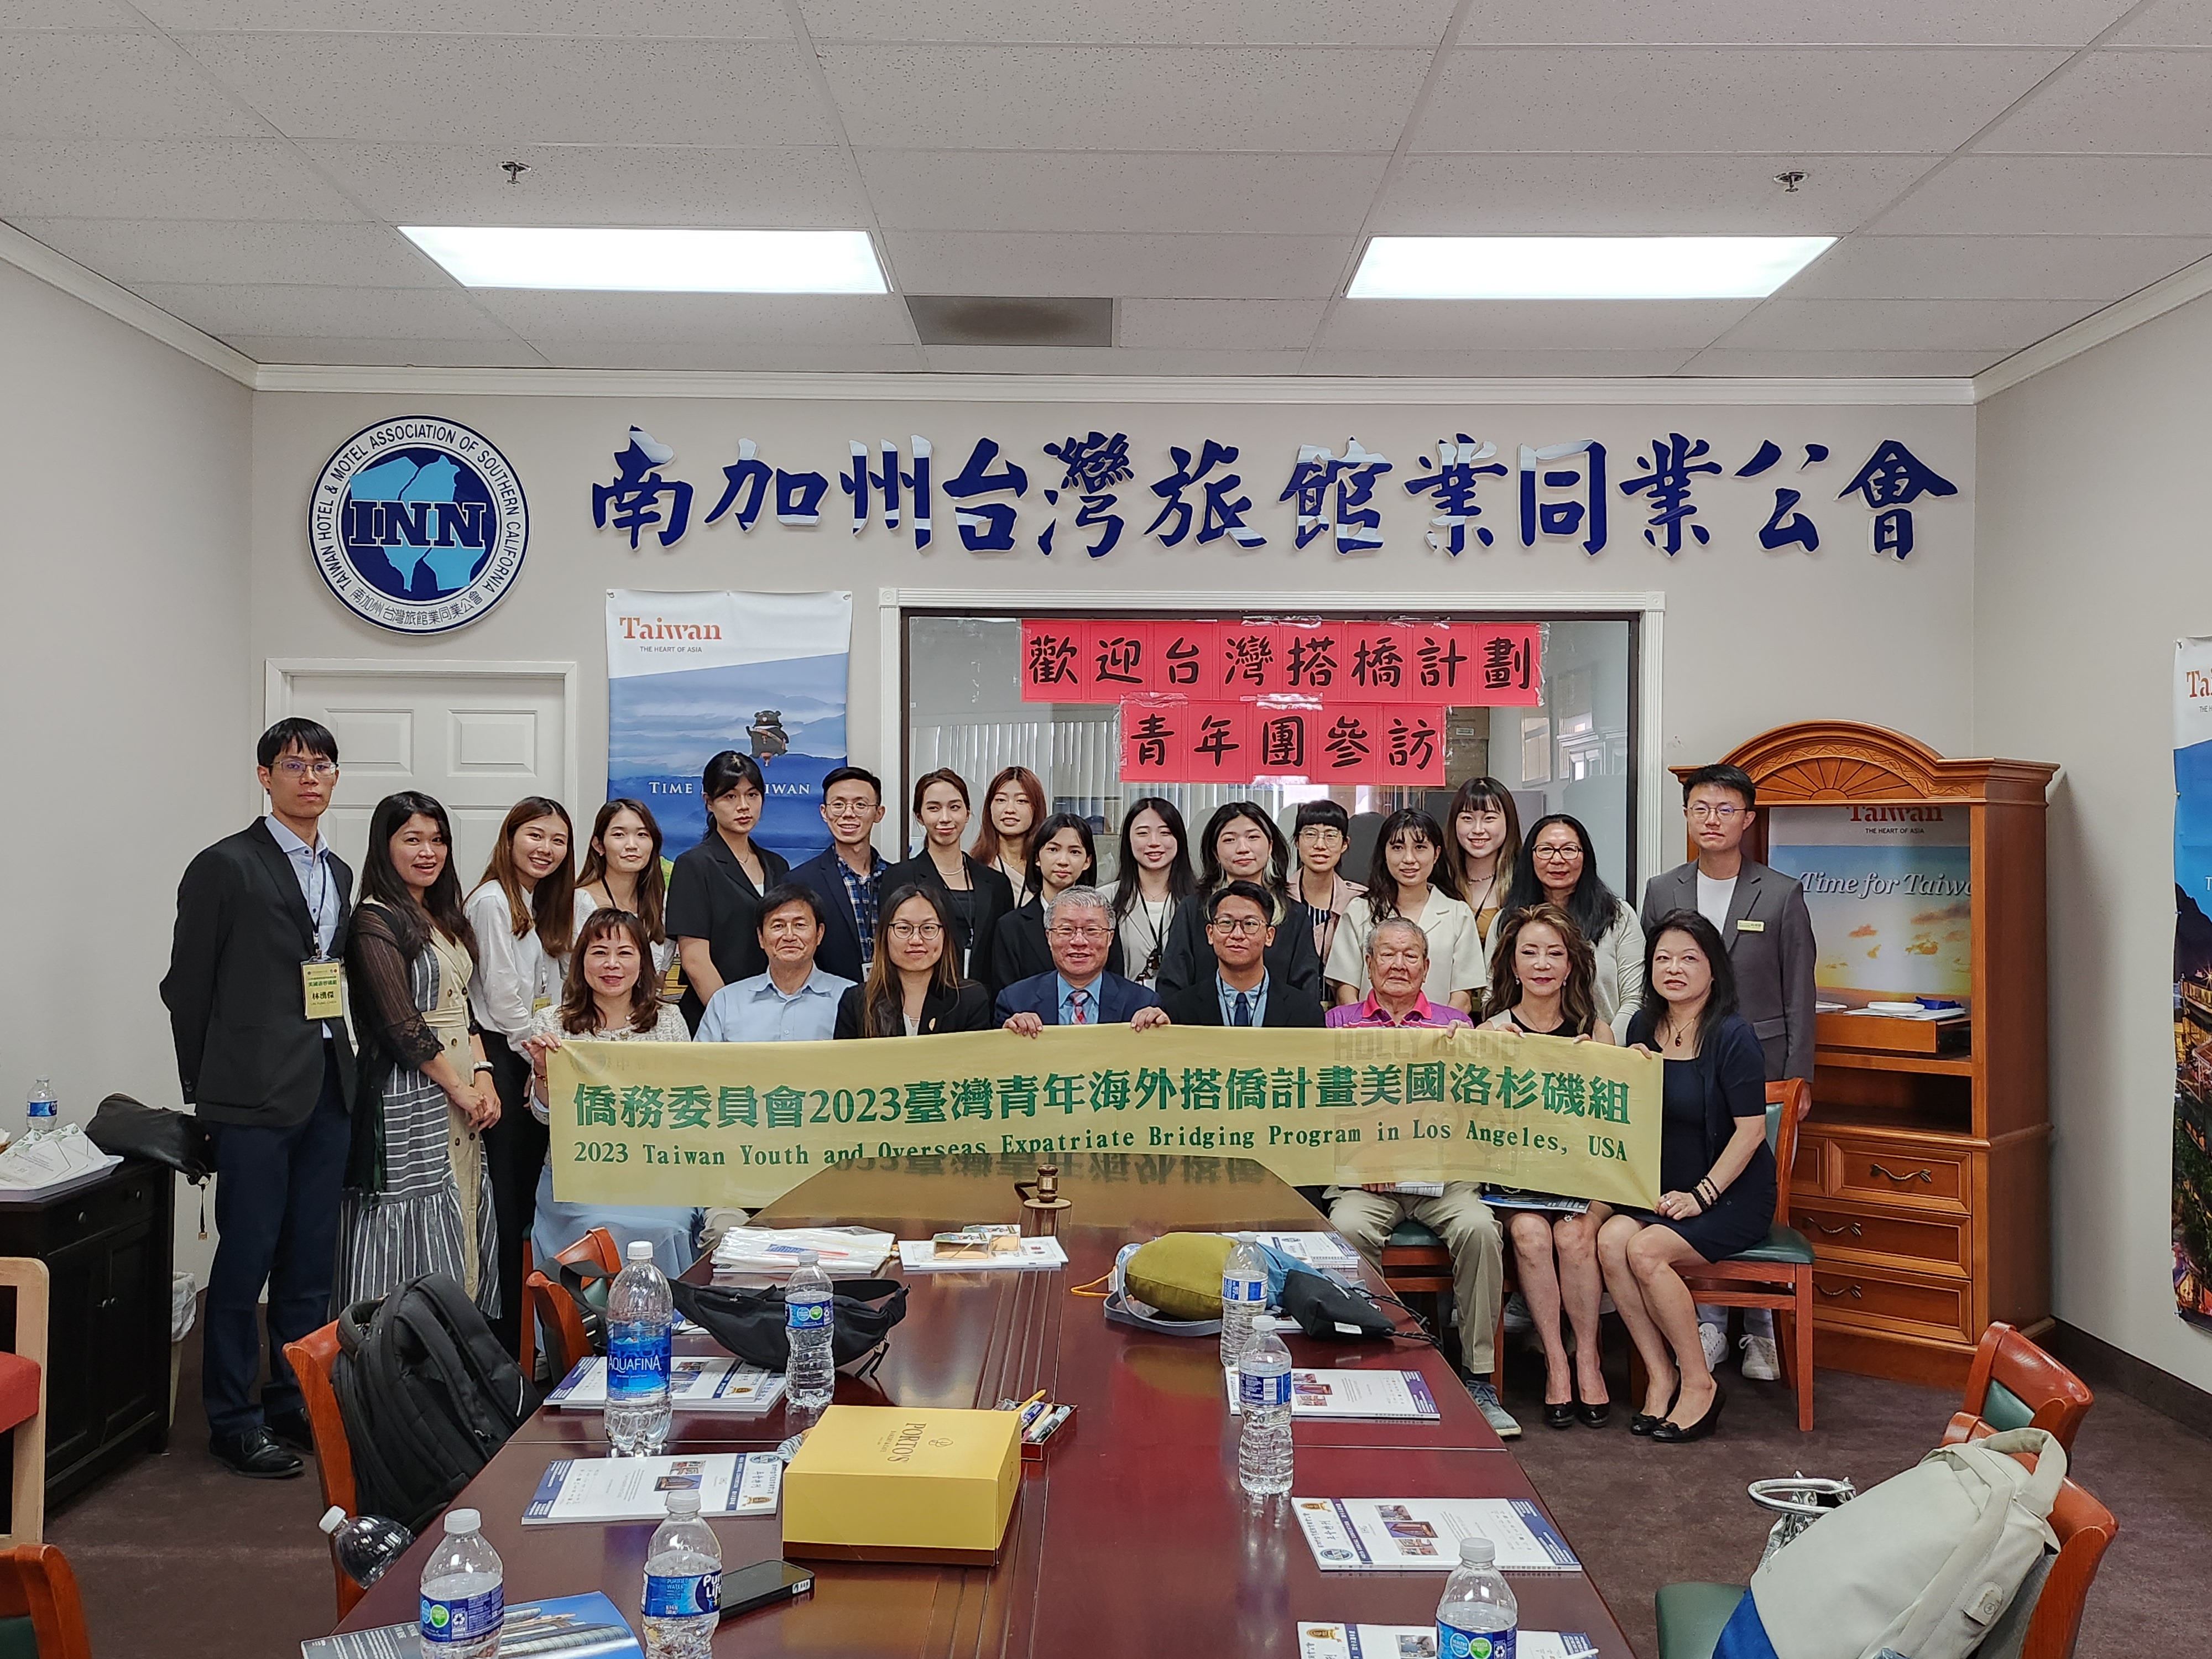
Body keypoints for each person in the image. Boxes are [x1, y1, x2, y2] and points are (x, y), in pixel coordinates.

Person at [163, 718, 357, 1479]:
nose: (310, 777)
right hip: (247, 1096)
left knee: (310, 1264)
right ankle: (232, 1419)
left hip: (325, 1086)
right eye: (294, 764)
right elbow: (186, 987)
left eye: (322, 765)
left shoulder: (338, 871)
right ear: (264, 776)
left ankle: (292, 1401)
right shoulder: (225, 865)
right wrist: (204, 1092)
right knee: (245, 1262)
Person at [1640, 761, 1817, 1384]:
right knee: (1689, 1178)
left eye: (1725, 810)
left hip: (1760, 1066)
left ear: (1747, 818)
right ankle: (1707, 1321)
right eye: (1700, 809)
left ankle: (1761, 1326)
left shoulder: (1781, 892)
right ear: (1687, 815)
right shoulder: (1662, 889)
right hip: (1685, 1063)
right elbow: (1656, 978)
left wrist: (1799, 1080)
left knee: (1745, 1182)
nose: (1711, 820)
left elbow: (1800, 993)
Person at [1322, 919, 1516, 1439]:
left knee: (1480, 1229)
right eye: (1387, 954)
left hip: (1443, 1179)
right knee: (1347, 1228)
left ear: (1428, 968)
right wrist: (1363, 1159)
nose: (1399, 965)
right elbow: (1321, 1107)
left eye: (1411, 955)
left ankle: (1478, 1377)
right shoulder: (1336, 1025)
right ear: (1368, 965)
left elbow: (1480, 1107)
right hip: (1367, 1180)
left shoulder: (1457, 1024)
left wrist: (1485, 1051)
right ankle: (1367, 1360)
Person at [1597, 911, 1778, 1444]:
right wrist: (1622, 1072)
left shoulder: (1734, 1035)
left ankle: (1699, 1382)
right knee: (1610, 1240)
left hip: (1730, 1195)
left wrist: (1703, 1195)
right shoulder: (1641, 1027)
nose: (1673, 969)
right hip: (1664, 1191)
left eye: (1688, 959)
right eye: (1663, 959)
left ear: (1714, 969)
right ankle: (1661, 1375)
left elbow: (1750, 1132)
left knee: (1646, 1251)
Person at [335, 792, 500, 1317]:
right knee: (412, 1211)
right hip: (408, 1092)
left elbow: (463, 1009)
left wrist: (484, 1076)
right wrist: (459, 1087)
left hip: (462, 1083)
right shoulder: (374, 920)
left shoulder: (443, 914)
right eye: (412, 840)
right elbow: (399, 1024)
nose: (428, 852)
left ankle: (456, 1337)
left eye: (437, 840)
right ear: (385, 847)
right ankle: (395, 1345)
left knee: (463, 1200)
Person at [1479, 904, 1615, 1430]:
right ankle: (1556, 1361)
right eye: (1529, 953)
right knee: (1532, 1236)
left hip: (1584, 1180)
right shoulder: (1490, 1031)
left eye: (1554, 954)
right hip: (1518, 1185)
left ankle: (1588, 1358)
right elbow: (1475, 1125)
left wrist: (1601, 1066)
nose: (1542, 964)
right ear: (1513, 965)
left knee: (1574, 1236)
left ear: (1571, 965)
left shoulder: (1596, 1033)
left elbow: (1614, 1126)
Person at [521, 907, 696, 1277]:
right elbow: (544, 1116)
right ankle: (585, 1317)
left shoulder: (668, 1021)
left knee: (671, 1229)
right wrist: (543, 1072)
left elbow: (684, 1107)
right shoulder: (552, 1023)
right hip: (579, 1175)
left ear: (643, 962)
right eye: (599, 952)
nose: (611, 964)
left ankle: (668, 1315)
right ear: (581, 961)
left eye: (625, 953)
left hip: (656, 1170)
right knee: (599, 1228)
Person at [463, 795, 575, 1353]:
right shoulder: (492, 901)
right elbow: (504, 998)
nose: (546, 849)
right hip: (507, 1059)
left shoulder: (540, 902)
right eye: (535, 836)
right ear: (509, 838)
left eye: (558, 841)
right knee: (507, 1207)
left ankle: (533, 1337)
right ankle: (505, 1342)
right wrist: (539, 1057)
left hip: (535, 1053)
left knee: (531, 1200)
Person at [667, 751, 792, 1031]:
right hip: (716, 1018)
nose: (744, 806)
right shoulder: (694, 865)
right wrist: (733, 1022)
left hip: (775, 1014)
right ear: (709, 802)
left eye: (752, 795)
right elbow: (695, 961)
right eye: (730, 797)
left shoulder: (778, 865)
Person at [1156, 803, 1322, 1001]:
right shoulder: (1193, 910)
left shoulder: (1294, 914)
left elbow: (1306, 992)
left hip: (1279, 1021)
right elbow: (1172, 985)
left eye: (1253, 837)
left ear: (1270, 846)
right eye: (1230, 839)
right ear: (1215, 852)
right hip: (1201, 1020)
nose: (1243, 849)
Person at [1326, 807, 1485, 1013]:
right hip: (1368, 1031)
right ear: (1384, 853)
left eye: (1420, 847)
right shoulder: (1359, 911)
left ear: (1436, 854)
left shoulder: (1458, 914)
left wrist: (1438, 1028)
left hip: (1437, 1032)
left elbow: (1462, 997)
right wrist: (1362, 1027)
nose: (1409, 859)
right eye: (1398, 847)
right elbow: (1346, 990)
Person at [1504, 813, 1644, 1029]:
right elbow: (1493, 994)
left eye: (1569, 850)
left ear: (1585, 856)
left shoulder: (1618, 916)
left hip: (1604, 1044)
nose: (1557, 860)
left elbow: (1634, 998)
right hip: (1521, 1044)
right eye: (1546, 850)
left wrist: (1605, 1043)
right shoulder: (1508, 919)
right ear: (1530, 857)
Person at [883, 768, 1014, 988]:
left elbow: (1003, 955)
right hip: (922, 996)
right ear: (919, 816)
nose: (945, 818)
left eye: (954, 807)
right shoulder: (899, 878)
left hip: (985, 999)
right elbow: (890, 950)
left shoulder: (996, 883)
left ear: (967, 813)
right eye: (934, 808)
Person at [694, 883, 853, 1043]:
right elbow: (701, 1059)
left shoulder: (850, 998)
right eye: (778, 926)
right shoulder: (726, 1001)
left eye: (799, 925)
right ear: (761, 937)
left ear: (819, 934)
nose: (789, 936)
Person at [998, 886, 1171, 1031]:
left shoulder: (1141, 1004)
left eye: (1092, 930)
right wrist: (1009, 1037)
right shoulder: (1016, 1002)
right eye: (1067, 930)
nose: (1079, 941)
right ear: (1049, 937)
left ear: (1110, 938)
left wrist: (1160, 1033)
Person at [834, 884, 997, 1037]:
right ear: (884, 936)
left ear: (945, 935)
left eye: (928, 928)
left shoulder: (970, 1000)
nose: (916, 940)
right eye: (904, 928)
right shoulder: (857, 1002)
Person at [1160, 880, 1328, 1028]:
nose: (1237, 935)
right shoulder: (1179, 1010)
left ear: (1269, 936)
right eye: (1226, 923)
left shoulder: (1306, 1012)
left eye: (1250, 924)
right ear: (1210, 934)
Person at [990, 812, 1124, 994]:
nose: (1063, 861)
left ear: (1087, 861)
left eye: (1074, 852)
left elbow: (1116, 988)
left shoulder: (1102, 922)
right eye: (1053, 850)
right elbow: (1006, 997)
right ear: (1037, 858)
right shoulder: (1011, 928)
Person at [791, 765, 888, 985]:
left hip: (894, 997)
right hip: (829, 1000)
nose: (848, 813)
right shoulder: (800, 883)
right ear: (824, 813)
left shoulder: (900, 879)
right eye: (838, 805)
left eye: (860, 805)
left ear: (879, 813)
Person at [572, 797, 674, 979]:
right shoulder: (579, 903)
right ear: (599, 845)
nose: (632, 845)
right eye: (619, 835)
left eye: (642, 835)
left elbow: (659, 979)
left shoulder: (662, 903)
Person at [1110, 796, 1195, 991]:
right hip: (1123, 1006)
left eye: (1165, 833)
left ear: (1179, 839)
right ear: (1128, 840)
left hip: (1183, 1007)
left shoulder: (1202, 902)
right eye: (1143, 833)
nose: (1154, 842)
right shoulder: (1104, 900)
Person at [1447, 775, 1522, 982]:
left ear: (1509, 821)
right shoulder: (1438, 879)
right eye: (1467, 818)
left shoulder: (1525, 881)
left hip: (1507, 997)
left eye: (1489, 818)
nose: (1478, 830)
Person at [1291, 799, 1365, 969]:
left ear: (1345, 844)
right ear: (1297, 841)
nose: (1320, 845)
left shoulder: (1360, 900)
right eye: (1310, 834)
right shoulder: (1277, 896)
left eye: (1331, 835)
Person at [971, 765, 1046, 895]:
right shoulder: (974, 867)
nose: (1010, 809)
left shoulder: (1046, 867)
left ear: (1037, 808)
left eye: (1022, 801)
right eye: (1001, 800)